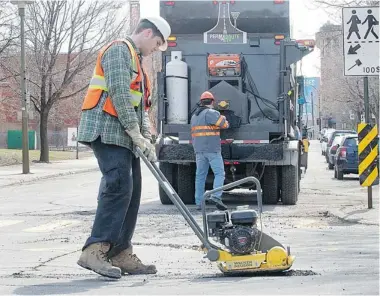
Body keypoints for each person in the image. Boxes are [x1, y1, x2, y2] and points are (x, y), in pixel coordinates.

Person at [75, 16, 171, 279]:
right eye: (157, 43)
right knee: (118, 184)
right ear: (148, 33)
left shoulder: (136, 61)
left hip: (124, 135)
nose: (155, 50)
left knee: (133, 189)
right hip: (106, 130)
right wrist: (133, 132)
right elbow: (119, 94)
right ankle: (94, 249)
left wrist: (145, 137)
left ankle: (119, 250)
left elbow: (138, 104)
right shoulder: (119, 50)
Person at [190, 91, 229, 211]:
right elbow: (224, 125)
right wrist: (223, 117)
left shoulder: (194, 116)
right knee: (219, 173)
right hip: (212, 149)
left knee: (200, 176)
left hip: (199, 150)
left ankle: (199, 202)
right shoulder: (211, 113)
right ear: (212, 102)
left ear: (201, 102)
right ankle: (216, 196)